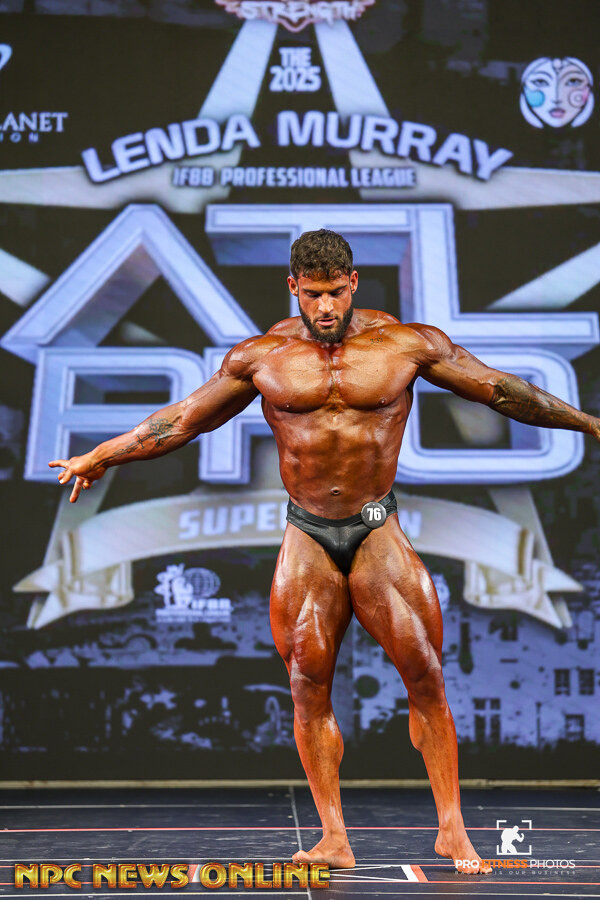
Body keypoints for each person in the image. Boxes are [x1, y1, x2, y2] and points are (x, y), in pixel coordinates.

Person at [49, 230, 600, 874]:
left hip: (376, 526)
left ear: (354, 282)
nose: (326, 307)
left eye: (336, 292)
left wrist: (590, 423)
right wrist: (102, 454)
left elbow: (503, 390)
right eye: (313, 295)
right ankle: (334, 836)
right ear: (293, 288)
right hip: (308, 533)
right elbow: (182, 420)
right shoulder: (262, 357)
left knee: (425, 675)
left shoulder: (406, 344)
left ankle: (452, 830)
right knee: (308, 685)